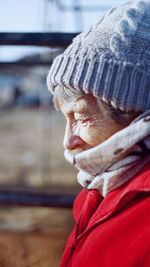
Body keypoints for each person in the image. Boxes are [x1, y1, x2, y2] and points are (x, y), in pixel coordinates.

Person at [47, 0, 150, 266]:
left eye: (81, 117)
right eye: (66, 118)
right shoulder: (99, 191)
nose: (68, 142)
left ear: (135, 112)